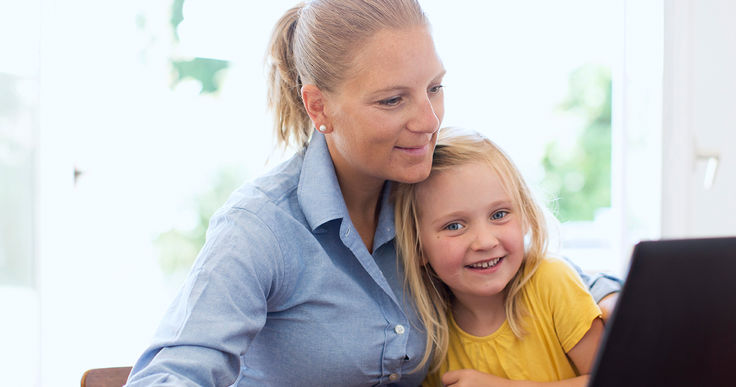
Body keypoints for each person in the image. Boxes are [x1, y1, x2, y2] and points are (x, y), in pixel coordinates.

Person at [125, 1, 620, 386]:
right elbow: (174, 371)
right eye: (392, 99)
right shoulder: (262, 228)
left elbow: (529, 262)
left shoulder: (426, 188)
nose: (428, 121)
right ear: (319, 106)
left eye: (435, 87)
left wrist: (608, 294)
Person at [392, 127, 605, 387]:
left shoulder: (553, 282)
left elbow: (623, 380)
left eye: (499, 215)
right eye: (455, 226)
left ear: (525, 215)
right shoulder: (428, 339)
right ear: (418, 248)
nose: (485, 242)